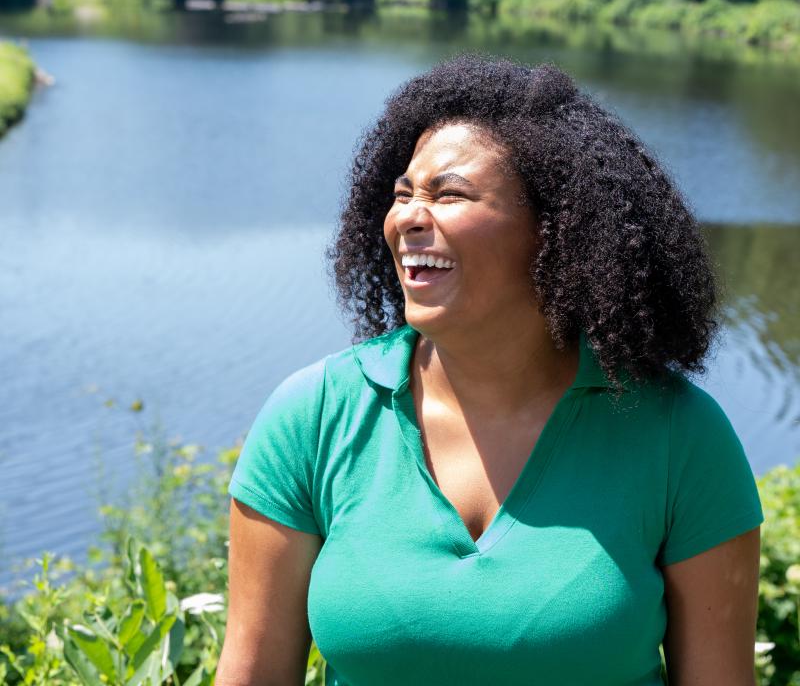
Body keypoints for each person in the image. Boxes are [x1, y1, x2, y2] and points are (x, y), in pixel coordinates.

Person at [215, 56, 763, 686]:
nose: (408, 217)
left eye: (449, 195)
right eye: (403, 194)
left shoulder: (677, 436)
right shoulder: (314, 414)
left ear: (558, 230)